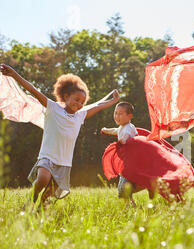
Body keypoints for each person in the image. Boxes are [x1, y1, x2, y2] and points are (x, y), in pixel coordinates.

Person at [0, 64, 120, 207]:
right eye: (76, 99)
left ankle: (41, 207)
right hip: (48, 156)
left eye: (82, 102)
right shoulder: (53, 107)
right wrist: (14, 74)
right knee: (43, 179)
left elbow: (98, 106)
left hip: (64, 162)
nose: (79, 104)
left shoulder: (80, 116)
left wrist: (113, 101)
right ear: (66, 96)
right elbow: (32, 89)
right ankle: (32, 198)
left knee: (52, 190)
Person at [101, 101, 140, 207]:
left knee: (123, 187)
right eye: (115, 113)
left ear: (129, 116)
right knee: (123, 186)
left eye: (120, 113)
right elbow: (116, 131)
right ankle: (131, 205)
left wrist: (121, 142)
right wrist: (106, 130)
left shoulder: (128, 128)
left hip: (131, 164)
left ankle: (128, 206)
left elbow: (126, 137)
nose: (117, 116)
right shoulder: (123, 126)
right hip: (125, 164)